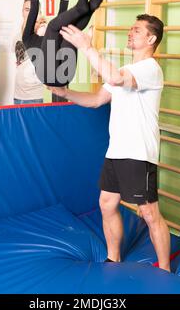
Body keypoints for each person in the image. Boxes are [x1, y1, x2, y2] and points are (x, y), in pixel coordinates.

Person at [50, 14, 171, 271]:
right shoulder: (125, 70)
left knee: (149, 213)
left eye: (136, 30)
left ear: (151, 38)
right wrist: (65, 93)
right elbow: (96, 100)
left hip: (139, 153)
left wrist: (86, 46)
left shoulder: (149, 69)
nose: (130, 33)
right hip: (116, 151)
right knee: (107, 204)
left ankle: (165, 269)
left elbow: (115, 79)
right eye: (131, 28)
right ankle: (113, 257)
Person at [23, 0, 107, 87]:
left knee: (68, 30)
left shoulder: (55, 36)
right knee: (53, 26)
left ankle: (91, 7)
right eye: (38, 23)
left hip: (64, 75)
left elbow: (63, 11)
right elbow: (34, 9)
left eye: (42, 22)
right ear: (32, 27)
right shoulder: (28, 38)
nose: (42, 25)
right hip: (48, 75)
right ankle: (80, 8)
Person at [14, 0, 45, 104]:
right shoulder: (16, 37)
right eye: (27, 9)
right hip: (17, 95)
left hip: (35, 96)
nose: (30, 13)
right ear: (22, 12)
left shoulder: (44, 35)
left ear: (39, 13)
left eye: (33, 10)